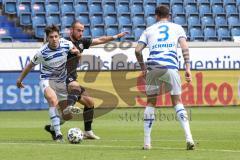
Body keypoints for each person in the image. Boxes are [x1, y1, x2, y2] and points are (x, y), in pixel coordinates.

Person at [45, 21, 128, 140]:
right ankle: (69, 106)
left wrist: (116, 36)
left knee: (89, 103)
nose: (81, 33)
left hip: (72, 78)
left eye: (82, 30)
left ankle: (85, 131)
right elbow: (50, 49)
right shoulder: (62, 43)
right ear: (71, 30)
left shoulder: (81, 42)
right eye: (78, 30)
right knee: (75, 87)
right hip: (61, 79)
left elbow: (100, 40)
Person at [135, 5, 195, 150]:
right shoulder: (177, 27)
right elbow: (184, 47)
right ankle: (189, 138)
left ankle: (147, 142)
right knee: (177, 101)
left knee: (151, 102)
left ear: (156, 15)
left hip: (153, 67)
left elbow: (137, 50)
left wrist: (143, 68)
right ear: (169, 15)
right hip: (171, 66)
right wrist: (187, 68)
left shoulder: (149, 30)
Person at [16, 25, 80, 142]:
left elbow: (75, 52)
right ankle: (58, 135)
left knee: (67, 116)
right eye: (51, 37)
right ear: (47, 38)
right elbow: (30, 66)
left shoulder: (66, 44)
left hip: (61, 81)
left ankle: (52, 127)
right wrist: (20, 80)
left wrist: (77, 52)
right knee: (52, 101)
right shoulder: (42, 52)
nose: (54, 39)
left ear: (59, 36)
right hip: (47, 80)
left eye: (56, 36)